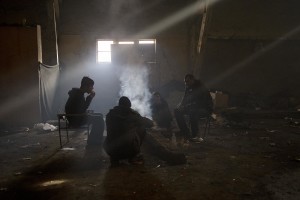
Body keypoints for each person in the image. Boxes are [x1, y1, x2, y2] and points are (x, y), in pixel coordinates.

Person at [104, 96, 153, 166]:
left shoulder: (109, 115)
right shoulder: (132, 115)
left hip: (110, 151)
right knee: (141, 128)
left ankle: (114, 159)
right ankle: (133, 157)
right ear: (129, 106)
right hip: (127, 152)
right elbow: (149, 123)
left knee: (115, 133)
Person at [65, 76, 104, 146]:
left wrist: (85, 112)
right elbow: (82, 109)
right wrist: (90, 97)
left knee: (100, 115)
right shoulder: (78, 95)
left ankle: (94, 139)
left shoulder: (78, 93)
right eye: (91, 86)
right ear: (86, 86)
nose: (92, 88)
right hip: (76, 120)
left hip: (76, 117)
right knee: (99, 119)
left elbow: (80, 109)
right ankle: (93, 141)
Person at [174, 74, 213, 142]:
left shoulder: (200, 87)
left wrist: (187, 106)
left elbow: (201, 103)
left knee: (193, 112)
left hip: (205, 108)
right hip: (193, 107)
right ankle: (185, 132)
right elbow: (185, 98)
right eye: (185, 82)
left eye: (188, 81)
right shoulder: (188, 86)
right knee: (177, 111)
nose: (186, 83)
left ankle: (195, 135)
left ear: (193, 80)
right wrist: (180, 105)